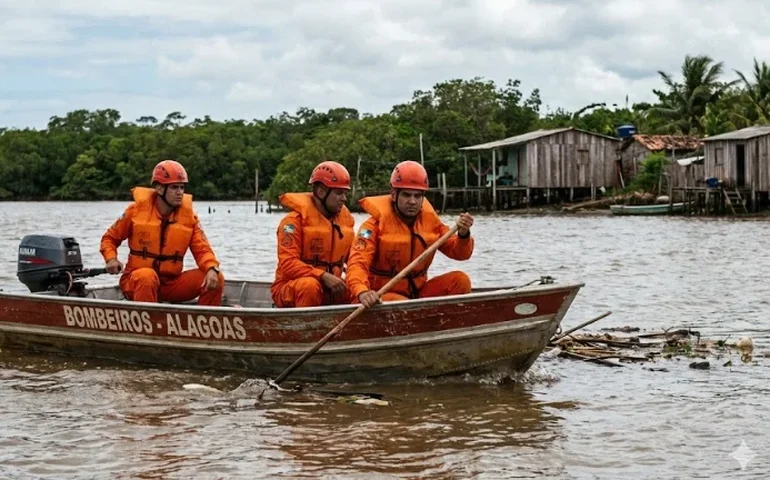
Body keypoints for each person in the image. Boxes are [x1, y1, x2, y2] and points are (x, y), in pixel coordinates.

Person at [346, 160, 474, 308]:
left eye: (417, 196)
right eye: (406, 195)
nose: (412, 201)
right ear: (394, 194)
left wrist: (464, 235)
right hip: (383, 295)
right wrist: (362, 291)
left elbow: (460, 253)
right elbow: (357, 263)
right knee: (399, 303)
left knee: (461, 281)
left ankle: (438, 323)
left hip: (417, 292)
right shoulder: (371, 227)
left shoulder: (432, 223)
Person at [99, 159, 225, 305]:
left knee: (216, 276)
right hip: (137, 282)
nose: (180, 193)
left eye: (182, 187)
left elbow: (203, 250)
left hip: (170, 284)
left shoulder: (189, 218)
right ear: (159, 189)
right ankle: (148, 324)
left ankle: (204, 323)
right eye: (174, 188)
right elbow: (109, 239)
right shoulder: (135, 211)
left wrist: (211, 268)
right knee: (147, 276)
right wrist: (111, 259)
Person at [270, 161, 356, 307]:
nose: (344, 199)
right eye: (339, 193)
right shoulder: (292, 223)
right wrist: (322, 276)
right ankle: (305, 329)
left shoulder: (345, 223)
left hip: (329, 288)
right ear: (321, 192)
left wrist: (361, 288)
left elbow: (355, 261)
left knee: (358, 289)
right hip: (290, 288)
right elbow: (288, 264)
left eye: (345, 193)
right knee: (309, 286)